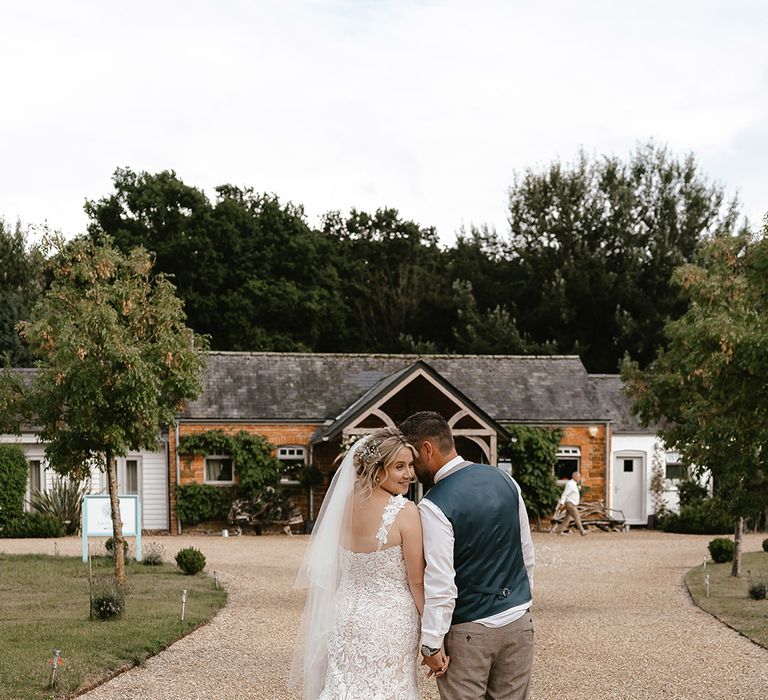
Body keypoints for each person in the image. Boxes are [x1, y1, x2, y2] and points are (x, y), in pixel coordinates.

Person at [400, 411, 535, 700]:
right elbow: (526, 554)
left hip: (469, 631)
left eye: (413, 458)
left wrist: (432, 644)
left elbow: (440, 581)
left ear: (427, 448)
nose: (412, 469)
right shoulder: (505, 480)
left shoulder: (434, 504)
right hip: (519, 623)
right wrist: (520, 604)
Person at [290, 427, 426, 699]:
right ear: (377, 470)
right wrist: (437, 633)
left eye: (411, 465)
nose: (410, 474)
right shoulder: (405, 513)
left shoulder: (340, 508)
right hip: (391, 622)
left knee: (344, 686)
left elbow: (335, 571)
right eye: (400, 467)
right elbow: (417, 581)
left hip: (342, 615)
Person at [556, 471, 588, 536]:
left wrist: (581, 485)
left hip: (572, 503)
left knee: (567, 518)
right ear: (574, 477)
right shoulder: (570, 484)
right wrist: (561, 503)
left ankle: (560, 531)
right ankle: (582, 531)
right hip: (570, 504)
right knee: (577, 516)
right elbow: (565, 494)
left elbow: (575, 491)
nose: (579, 478)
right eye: (578, 477)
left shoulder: (574, 484)